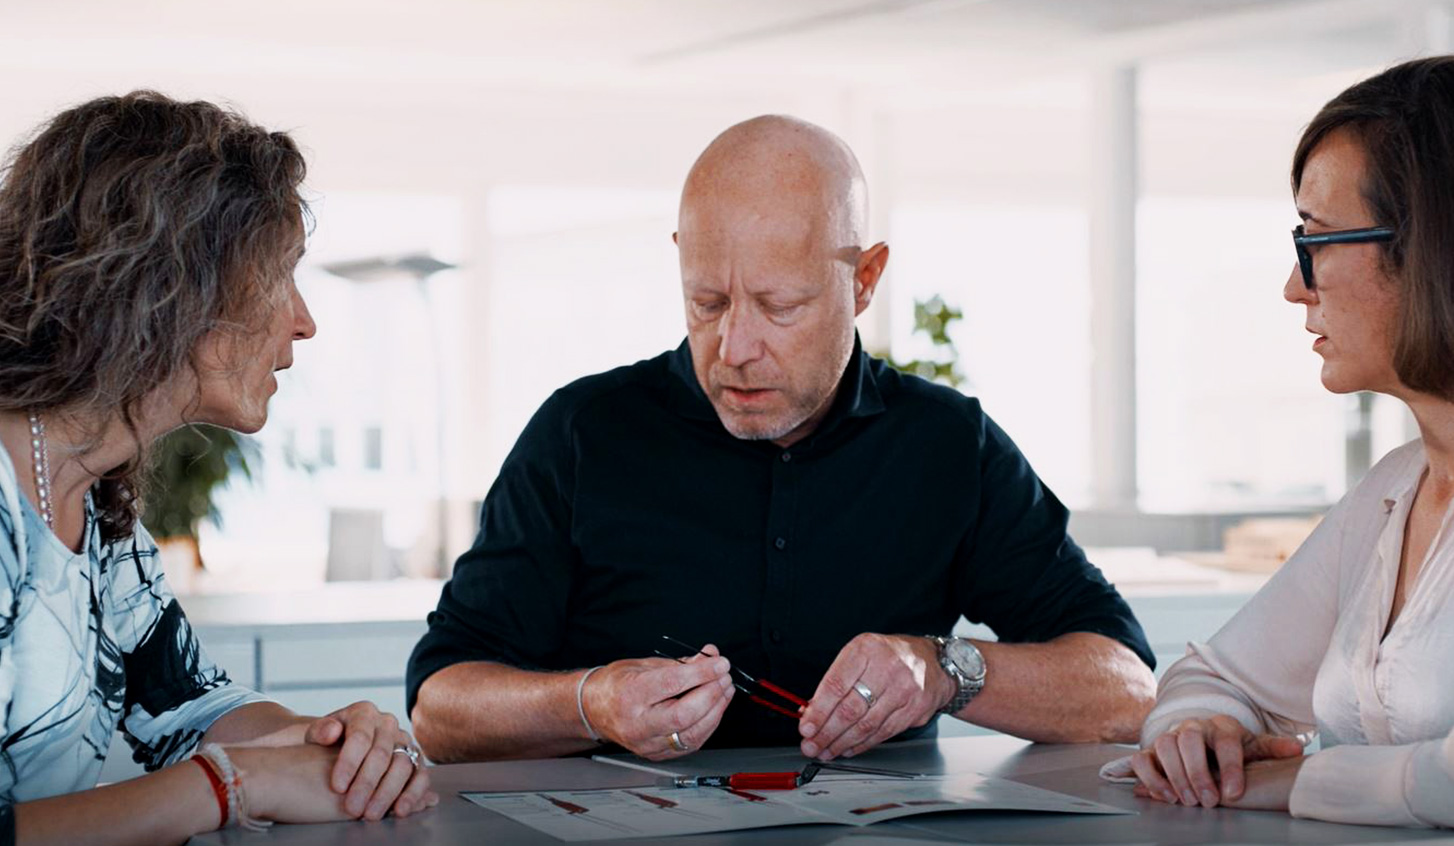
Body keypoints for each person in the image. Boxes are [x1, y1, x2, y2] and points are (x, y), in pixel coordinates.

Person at [407, 115, 1157, 764]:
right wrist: (587, 703)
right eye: (707, 301)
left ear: (864, 280)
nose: (734, 346)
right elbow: (439, 709)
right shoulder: (582, 433)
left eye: (779, 306)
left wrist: (943, 669)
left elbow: (1125, 685)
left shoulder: (947, 444)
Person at [1120, 55, 1454, 830]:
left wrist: (1316, 781)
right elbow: (1211, 677)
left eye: (1318, 240)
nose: (1294, 285)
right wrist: (1198, 734)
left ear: (1443, 250)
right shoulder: (1393, 490)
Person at [0, 91, 437, 846]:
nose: (304, 319)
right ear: (175, 285)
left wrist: (337, 744)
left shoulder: (93, 500)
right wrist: (231, 784)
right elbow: (215, 767)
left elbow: (189, 707)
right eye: (282, 274)